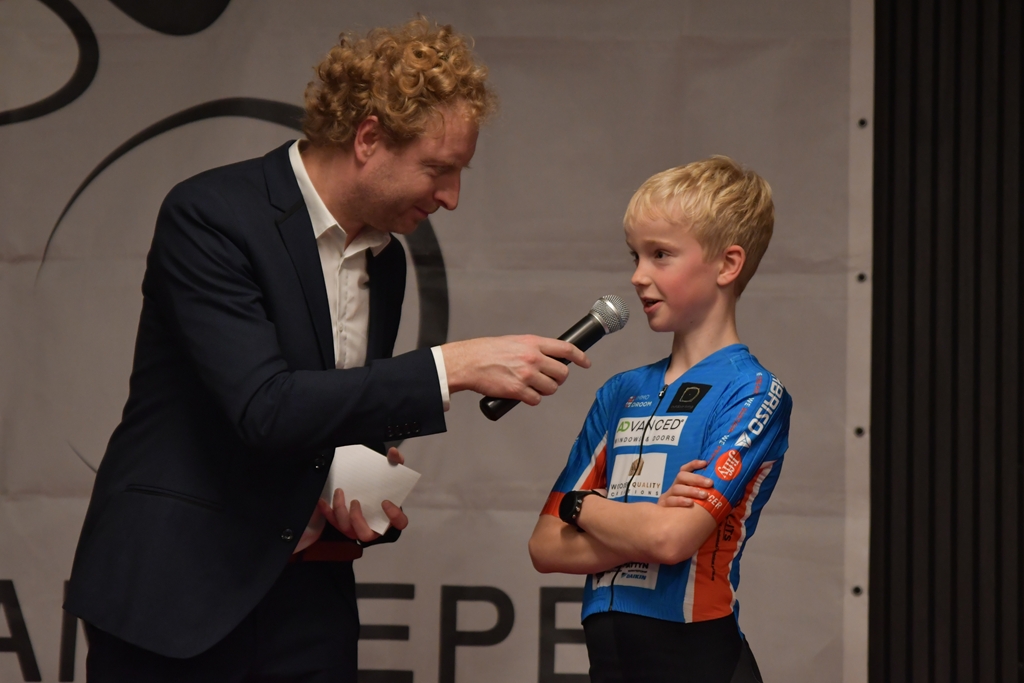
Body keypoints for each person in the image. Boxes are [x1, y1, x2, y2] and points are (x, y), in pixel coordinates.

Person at [65, 17, 589, 683]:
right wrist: (452, 366)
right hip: (177, 590)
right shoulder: (211, 215)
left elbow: (326, 415)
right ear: (368, 138)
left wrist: (356, 478)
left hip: (307, 597)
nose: (451, 197)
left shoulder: (386, 259)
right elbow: (264, 406)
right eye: (438, 169)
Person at [528, 157, 791, 683]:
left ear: (727, 264)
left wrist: (584, 506)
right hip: (610, 663)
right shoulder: (620, 391)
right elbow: (544, 546)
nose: (638, 276)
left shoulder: (754, 391)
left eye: (661, 255)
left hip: (701, 661)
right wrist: (643, 523)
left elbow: (672, 541)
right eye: (636, 255)